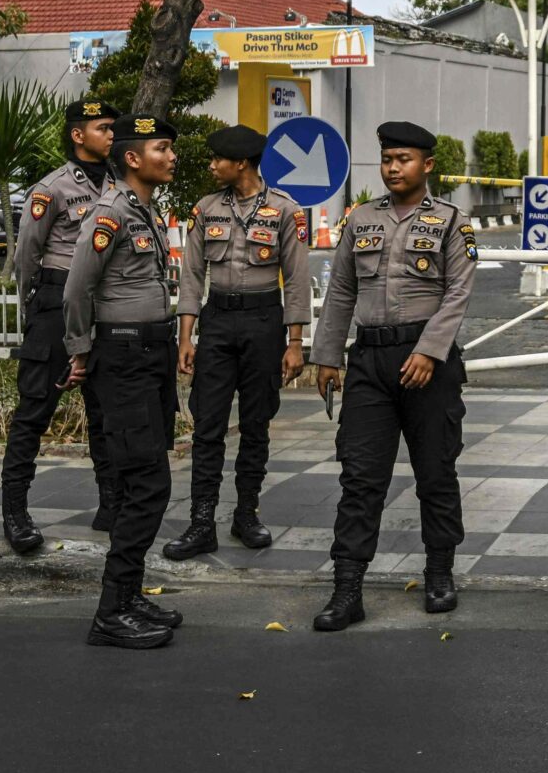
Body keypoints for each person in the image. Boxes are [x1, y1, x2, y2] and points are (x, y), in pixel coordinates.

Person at [308, 121, 475, 633]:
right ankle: (347, 589)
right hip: (371, 364)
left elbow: (458, 293)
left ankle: (440, 574)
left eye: (404, 159)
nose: (393, 168)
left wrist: (429, 351)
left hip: (430, 363)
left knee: (435, 473)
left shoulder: (451, 222)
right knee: (359, 477)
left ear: (427, 165)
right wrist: (327, 355)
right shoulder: (361, 219)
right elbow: (339, 291)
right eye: (387, 159)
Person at [65, 115, 188, 650]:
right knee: (147, 482)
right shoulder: (111, 211)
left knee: (149, 474)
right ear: (134, 158)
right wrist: (79, 351)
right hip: (125, 354)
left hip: (152, 352)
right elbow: (76, 290)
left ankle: (130, 594)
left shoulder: (145, 209)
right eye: (162, 148)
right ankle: (111, 611)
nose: (172, 156)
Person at [165, 123, 311, 560]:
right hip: (218, 321)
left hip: (264, 321)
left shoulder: (286, 211)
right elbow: (191, 276)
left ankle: (246, 514)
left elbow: (298, 280)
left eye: (218, 160)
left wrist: (295, 340)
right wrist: (186, 336)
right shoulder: (206, 209)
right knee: (207, 425)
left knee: (255, 424)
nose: (211, 166)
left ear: (241, 164)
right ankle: (201, 522)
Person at [0, 100, 119, 554]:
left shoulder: (118, 186)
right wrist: (36, 309)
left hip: (103, 304)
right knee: (34, 410)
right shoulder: (51, 189)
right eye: (103, 128)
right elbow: (26, 258)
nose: (111, 135)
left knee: (104, 410)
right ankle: (15, 512)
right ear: (77, 134)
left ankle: (110, 504)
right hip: (54, 301)